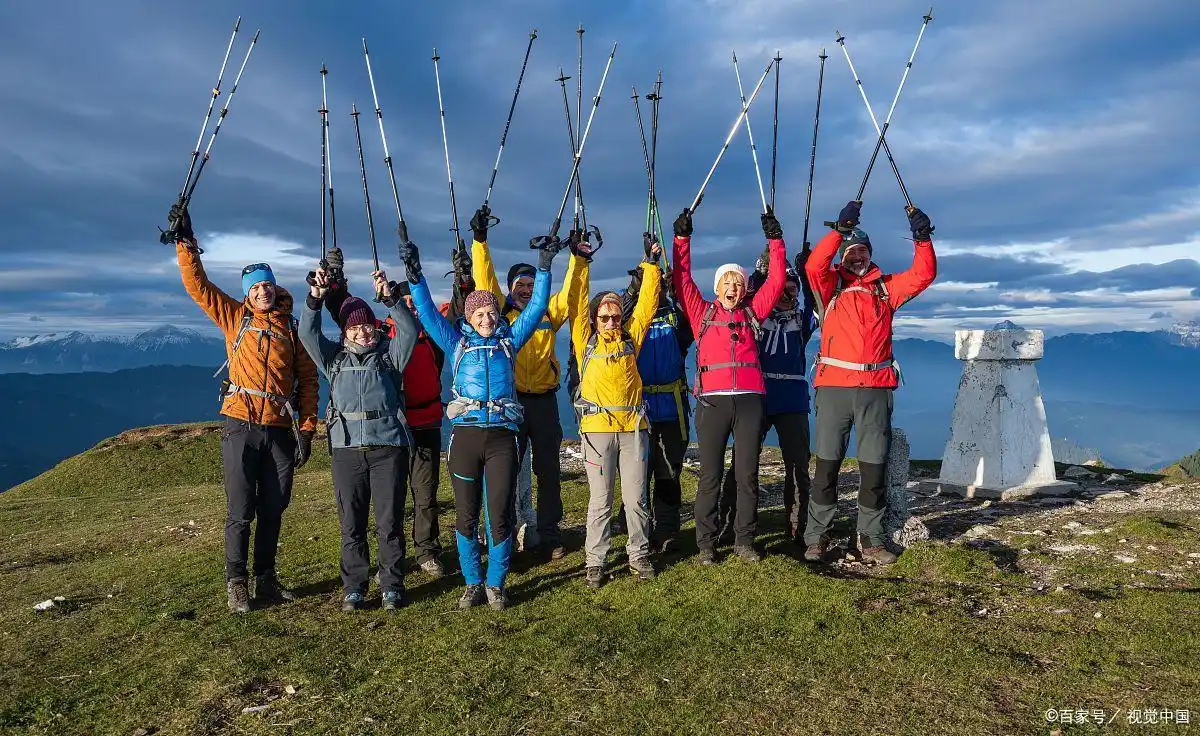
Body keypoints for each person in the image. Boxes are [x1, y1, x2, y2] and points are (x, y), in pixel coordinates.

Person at [399, 229, 566, 611]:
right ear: (470, 317)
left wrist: (544, 266)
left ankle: (496, 583)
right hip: (466, 436)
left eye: (491, 311)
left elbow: (538, 305)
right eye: (479, 313)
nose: (488, 317)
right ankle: (473, 581)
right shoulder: (455, 341)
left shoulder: (510, 339)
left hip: (502, 436)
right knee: (466, 514)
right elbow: (425, 311)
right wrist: (414, 273)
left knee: (500, 513)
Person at [169, 203, 319, 614]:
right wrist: (186, 245)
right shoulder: (235, 317)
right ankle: (237, 583)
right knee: (241, 509)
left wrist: (306, 430)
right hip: (239, 423)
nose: (262, 292)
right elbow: (198, 287)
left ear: (275, 287)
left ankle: (265, 579)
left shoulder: (292, 327)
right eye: (255, 288)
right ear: (247, 293)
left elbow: (308, 381)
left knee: (274, 506)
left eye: (266, 285)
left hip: (279, 428)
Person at [802, 201, 937, 565]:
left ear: (870, 255)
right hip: (834, 387)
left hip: (876, 386)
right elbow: (814, 265)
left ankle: (871, 538)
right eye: (851, 251)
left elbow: (924, 275)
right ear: (842, 256)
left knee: (873, 467)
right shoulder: (827, 287)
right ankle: (816, 537)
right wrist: (839, 231)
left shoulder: (885, 288)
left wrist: (921, 238)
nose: (856, 256)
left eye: (862, 251)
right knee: (827, 467)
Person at [318, 251, 448, 578]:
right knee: (393, 502)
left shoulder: (435, 328)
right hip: (394, 428)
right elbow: (346, 314)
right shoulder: (381, 333)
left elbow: (460, 304)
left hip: (426, 420)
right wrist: (336, 277)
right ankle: (395, 561)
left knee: (425, 492)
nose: (410, 305)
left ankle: (426, 551)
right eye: (404, 300)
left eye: (412, 300)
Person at [672, 206, 787, 564]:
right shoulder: (700, 312)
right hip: (712, 402)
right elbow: (682, 277)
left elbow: (778, 279)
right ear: (717, 287)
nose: (733, 288)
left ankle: (744, 541)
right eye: (727, 282)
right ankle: (706, 544)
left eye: (738, 282)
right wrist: (682, 238)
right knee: (709, 475)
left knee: (747, 474)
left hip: (750, 401)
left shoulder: (754, 312)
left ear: (745, 287)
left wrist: (776, 240)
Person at [299, 267, 418, 612]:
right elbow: (307, 332)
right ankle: (354, 586)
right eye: (355, 326)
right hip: (346, 450)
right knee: (351, 523)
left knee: (389, 521)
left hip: (388, 449)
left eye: (367, 324)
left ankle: (392, 585)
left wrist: (391, 298)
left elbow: (409, 331)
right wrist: (315, 298)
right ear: (345, 330)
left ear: (375, 325)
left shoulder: (390, 355)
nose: (363, 331)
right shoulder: (333, 359)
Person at [471, 206, 583, 559]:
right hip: (511, 401)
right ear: (509, 289)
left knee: (549, 472)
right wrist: (480, 241)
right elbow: (483, 279)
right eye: (520, 285)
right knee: (506, 474)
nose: (526, 290)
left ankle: (549, 537)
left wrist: (579, 259)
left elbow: (573, 293)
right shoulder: (500, 314)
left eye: (532, 285)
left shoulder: (549, 310)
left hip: (544, 402)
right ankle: (505, 540)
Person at [569, 236, 663, 588]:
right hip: (597, 431)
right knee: (600, 501)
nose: (610, 321)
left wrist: (651, 266)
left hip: (634, 428)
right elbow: (576, 303)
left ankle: (638, 555)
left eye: (615, 316)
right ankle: (596, 561)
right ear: (595, 320)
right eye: (604, 316)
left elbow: (647, 307)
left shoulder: (630, 339)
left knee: (636, 498)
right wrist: (580, 262)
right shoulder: (584, 343)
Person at [719, 264, 817, 545]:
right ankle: (730, 523)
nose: (788, 294)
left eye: (793, 288)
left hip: (793, 399)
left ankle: (798, 528)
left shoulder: (803, 318)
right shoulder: (756, 315)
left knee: (798, 464)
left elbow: (816, 299)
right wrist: (765, 275)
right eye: (783, 288)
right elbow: (751, 296)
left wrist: (806, 271)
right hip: (757, 395)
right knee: (742, 462)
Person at [611, 234, 693, 552]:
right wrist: (647, 268)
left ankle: (668, 530)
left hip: (673, 407)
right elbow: (625, 304)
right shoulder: (629, 317)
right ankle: (635, 525)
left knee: (669, 472)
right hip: (640, 408)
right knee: (638, 472)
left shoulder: (675, 315)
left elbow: (692, 322)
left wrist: (676, 288)